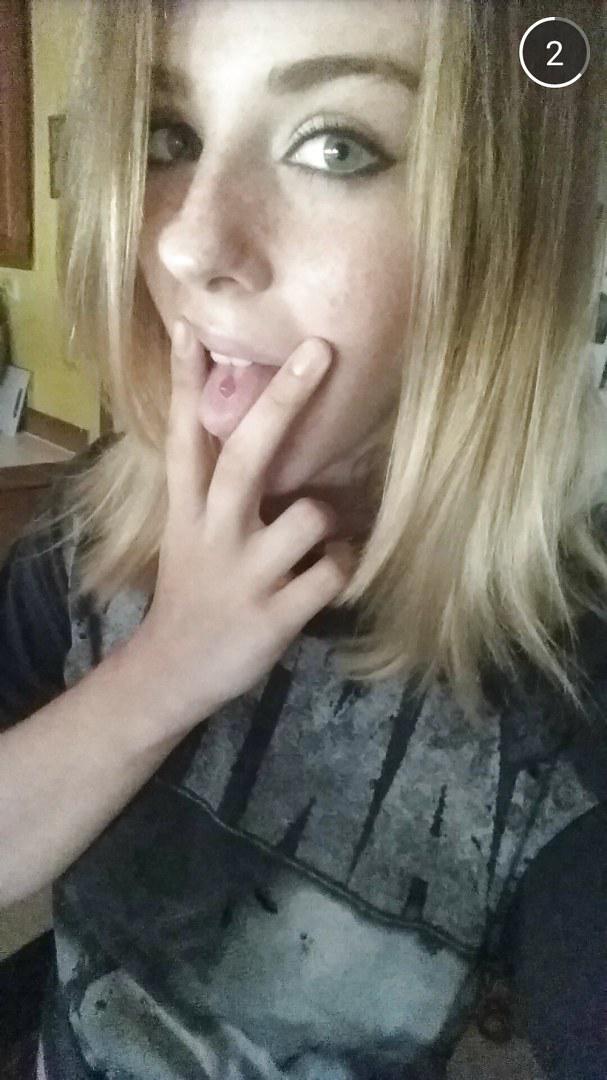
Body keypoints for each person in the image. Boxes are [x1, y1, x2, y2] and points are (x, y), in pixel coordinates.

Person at [1, 1, 606, 1077]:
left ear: (502, 236)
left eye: (336, 146)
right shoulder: (86, 520)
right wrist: (163, 671)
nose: (187, 242)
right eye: (170, 135)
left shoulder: (565, 671)